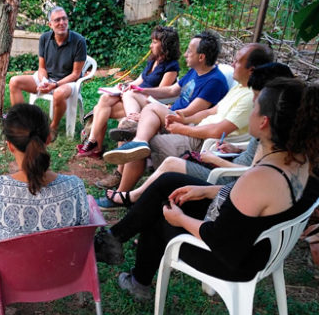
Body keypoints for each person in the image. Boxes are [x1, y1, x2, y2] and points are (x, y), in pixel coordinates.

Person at [97, 77, 319, 301]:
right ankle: (113, 238)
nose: (251, 111)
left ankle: (138, 282)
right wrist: (206, 191)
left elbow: (218, 239)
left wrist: (180, 220)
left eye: (255, 107)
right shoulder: (302, 159)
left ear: (264, 122)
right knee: (170, 181)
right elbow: (257, 202)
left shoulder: (262, 177)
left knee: (159, 214)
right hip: (257, 240)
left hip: (233, 260)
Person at [110, 62, 294, 205]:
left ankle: (133, 193)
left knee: (160, 153)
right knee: (145, 119)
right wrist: (236, 148)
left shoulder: (269, 131)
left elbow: (251, 172)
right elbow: (252, 157)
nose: (232, 64)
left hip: (221, 171)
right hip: (220, 157)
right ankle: (138, 139)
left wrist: (214, 160)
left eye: (237, 61)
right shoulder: (262, 120)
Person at [0, 103, 90, 269]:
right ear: (48, 139)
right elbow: (83, 231)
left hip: (7, 279)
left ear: (10, 145)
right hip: (59, 273)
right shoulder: (75, 187)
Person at [95, 31, 229, 195]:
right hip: (172, 115)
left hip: (185, 124)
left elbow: (188, 113)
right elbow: (172, 90)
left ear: (201, 57)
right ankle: (121, 170)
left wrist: (146, 116)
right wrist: (143, 90)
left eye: (189, 51)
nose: (185, 54)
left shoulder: (214, 81)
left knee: (136, 125)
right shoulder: (196, 71)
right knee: (131, 111)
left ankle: (123, 186)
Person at [77, 26, 181, 159]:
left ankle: (97, 144)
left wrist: (135, 91)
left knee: (103, 107)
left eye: (155, 42)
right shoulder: (154, 60)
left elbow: (160, 93)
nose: (151, 46)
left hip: (147, 104)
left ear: (166, 45)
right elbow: (140, 80)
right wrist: (126, 85)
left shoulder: (171, 66)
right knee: (104, 99)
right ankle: (93, 142)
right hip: (133, 100)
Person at [8, 6, 87, 142]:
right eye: (57, 20)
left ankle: (53, 127)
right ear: (50, 24)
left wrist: (54, 85)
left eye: (64, 19)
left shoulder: (79, 41)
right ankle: (23, 124)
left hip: (69, 82)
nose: (62, 23)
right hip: (48, 78)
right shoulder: (45, 38)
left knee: (58, 93)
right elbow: (42, 67)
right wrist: (44, 81)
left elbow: (75, 74)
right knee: (14, 81)